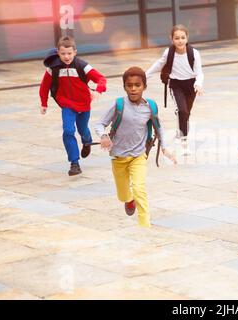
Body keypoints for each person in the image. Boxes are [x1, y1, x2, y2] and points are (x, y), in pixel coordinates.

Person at [94, 67, 176, 228]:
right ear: (124, 86)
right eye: (129, 85)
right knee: (123, 194)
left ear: (144, 86)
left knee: (139, 189)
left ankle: (145, 224)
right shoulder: (119, 105)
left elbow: (159, 128)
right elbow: (100, 123)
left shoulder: (150, 107)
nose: (133, 89)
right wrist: (103, 136)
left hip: (138, 156)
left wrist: (165, 148)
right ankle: (128, 200)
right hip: (118, 157)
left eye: (137, 85)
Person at [39, 36, 107, 176]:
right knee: (68, 131)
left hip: (83, 105)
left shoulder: (82, 66)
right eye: (63, 53)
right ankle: (74, 163)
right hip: (67, 105)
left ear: (75, 52)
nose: (66, 56)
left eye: (69, 53)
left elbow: (101, 78)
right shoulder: (53, 69)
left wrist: (99, 90)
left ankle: (87, 141)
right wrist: (43, 103)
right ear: (58, 52)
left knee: (83, 130)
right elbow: (44, 86)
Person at [145, 24, 204, 154]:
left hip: (191, 86)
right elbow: (159, 65)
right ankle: (184, 141)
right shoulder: (169, 52)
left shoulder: (194, 53)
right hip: (176, 85)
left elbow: (199, 72)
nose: (180, 40)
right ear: (172, 39)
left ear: (187, 38)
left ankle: (180, 132)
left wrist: (198, 84)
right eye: (177, 38)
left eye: (183, 37)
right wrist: (145, 76)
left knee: (186, 114)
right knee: (182, 111)